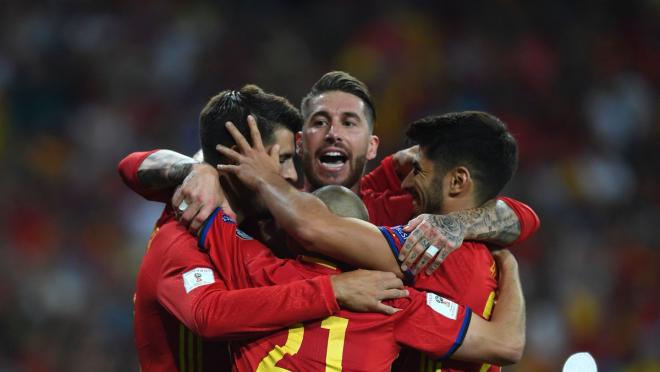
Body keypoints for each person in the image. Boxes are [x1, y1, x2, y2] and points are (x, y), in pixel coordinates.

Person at [198, 115, 525, 371]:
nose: (406, 181)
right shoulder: (403, 295)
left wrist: (224, 173)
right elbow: (508, 343)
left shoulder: (426, 254)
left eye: (417, 171)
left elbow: (314, 225)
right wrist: (509, 264)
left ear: (458, 180)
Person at [118, 71, 539, 266]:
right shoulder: (259, 198)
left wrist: (459, 224)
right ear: (300, 143)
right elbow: (134, 166)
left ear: (372, 147)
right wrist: (197, 170)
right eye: (320, 122)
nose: (333, 133)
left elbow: (521, 217)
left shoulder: (391, 202)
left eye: (349, 123)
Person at [128, 85, 408, 371]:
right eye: (283, 159)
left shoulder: (263, 221)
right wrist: (333, 290)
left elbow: (341, 206)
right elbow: (208, 314)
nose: (289, 174)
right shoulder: (181, 233)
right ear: (241, 157)